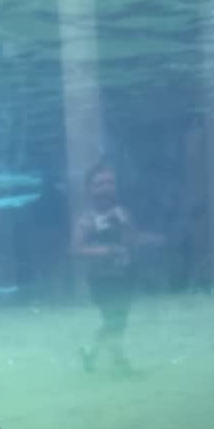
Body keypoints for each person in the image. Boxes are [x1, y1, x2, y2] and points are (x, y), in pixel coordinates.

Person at [71, 160, 146, 375]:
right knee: (114, 318)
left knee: (119, 320)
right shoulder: (86, 220)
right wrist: (106, 251)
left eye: (110, 183)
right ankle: (118, 361)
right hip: (102, 279)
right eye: (99, 184)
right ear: (89, 189)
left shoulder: (122, 214)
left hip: (124, 275)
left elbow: (132, 242)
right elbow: (76, 249)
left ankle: (92, 355)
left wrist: (126, 225)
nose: (105, 188)